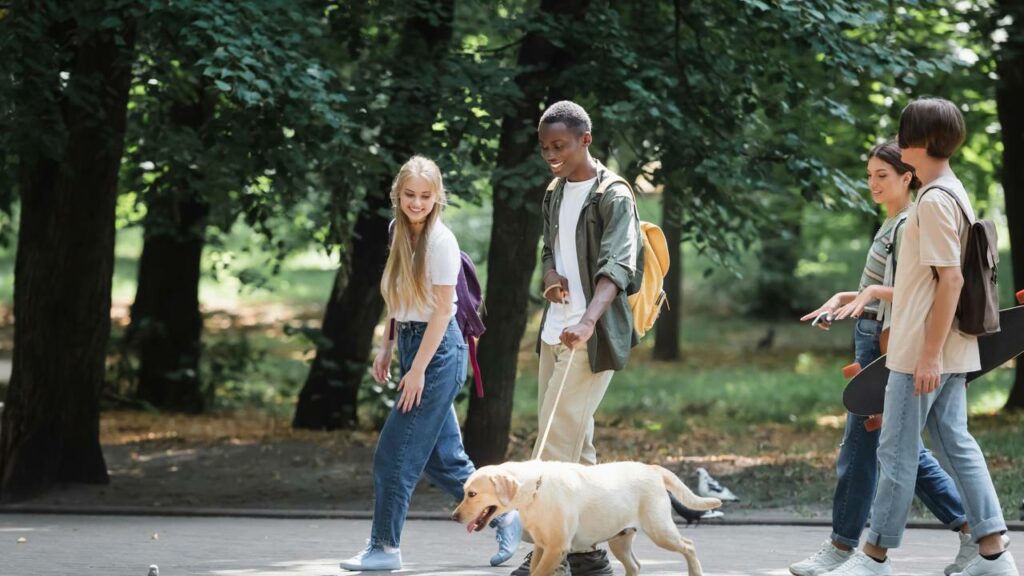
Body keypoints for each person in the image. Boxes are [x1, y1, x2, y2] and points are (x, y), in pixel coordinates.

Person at [822, 99, 1016, 576]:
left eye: (905, 135)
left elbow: (949, 281)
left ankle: (873, 557)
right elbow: (928, 280)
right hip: (949, 346)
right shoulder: (953, 191)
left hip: (922, 350)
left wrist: (927, 355)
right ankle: (993, 551)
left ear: (920, 142)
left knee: (895, 449)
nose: (900, 143)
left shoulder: (931, 202)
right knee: (955, 441)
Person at [792, 141, 985, 576]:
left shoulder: (908, 223)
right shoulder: (892, 225)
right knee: (895, 450)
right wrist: (843, 300)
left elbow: (919, 293)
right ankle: (972, 530)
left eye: (883, 175)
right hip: (874, 335)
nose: (873, 183)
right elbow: (879, 289)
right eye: (869, 175)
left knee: (874, 450)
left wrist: (874, 304)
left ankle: (846, 548)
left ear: (906, 177)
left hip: (890, 342)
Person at [340, 156, 521, 571]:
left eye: (425, 196)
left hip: (439, 353)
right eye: (409, 195)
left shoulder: (441, 242)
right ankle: (507, 514)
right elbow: (399, 296)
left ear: (437, 197)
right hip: (411, 343)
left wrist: (418, 369)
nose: (417, 204)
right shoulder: (396, 232)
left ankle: (384, 549)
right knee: (444, 460)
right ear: (397, 196)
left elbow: (442, 313)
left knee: (393, 454)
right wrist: (387, 345)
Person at [510, 100, 642, 576]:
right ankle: (588, 551)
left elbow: (619, 266)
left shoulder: (614, 195)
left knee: (551, 448)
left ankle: (549, 552)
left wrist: (587, 320)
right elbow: (552, 247)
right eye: (545, 147)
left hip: (592, 334)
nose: (552, 154)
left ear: (586, 139)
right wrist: (550, 275)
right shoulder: (555, 190)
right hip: (554, 330)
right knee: (577, 449)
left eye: (560, 146)